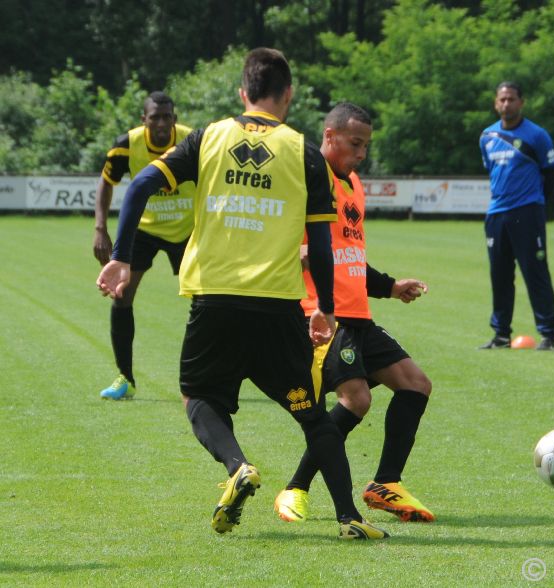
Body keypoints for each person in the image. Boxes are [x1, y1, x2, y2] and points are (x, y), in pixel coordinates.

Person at [96, 48, 387, 540]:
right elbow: (320, 241)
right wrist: (327, 311)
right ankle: (349, 519)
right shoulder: (304, 152)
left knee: (199, 398)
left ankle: (237, 466)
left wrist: (122, 255)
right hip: (277, 308)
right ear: (288, 95)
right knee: (313, 415)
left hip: (215, 302)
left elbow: (142, 182)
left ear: (242, 92)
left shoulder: (209, 136)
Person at [273, 102, 435, 524]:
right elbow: (283, 240)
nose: (361, 153)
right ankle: (295, 488)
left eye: (366, 145)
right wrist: (299, 252)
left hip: (357, 314)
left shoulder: (354, 184)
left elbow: (349, 257)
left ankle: (386, 483)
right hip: (324, 315)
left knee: (416, 385)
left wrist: (389, 287)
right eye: (355, 143)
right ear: (329, 136)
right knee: (356, 398)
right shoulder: (309, 178)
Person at [93, 91, 195, 400]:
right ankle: (125, 378)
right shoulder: (127, 145)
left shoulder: (193, 141)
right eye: (155, 117)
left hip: (188, 228)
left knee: (210, 300)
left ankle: (212, 376)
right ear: (144, 120)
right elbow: (106, 182)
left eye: (167, 117)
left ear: (175, 119)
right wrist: (100, 228)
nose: (162, 123)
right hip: (146, 228)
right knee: (121, 295)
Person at [478, 81, 554, 351]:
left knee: (535, 273)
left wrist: (536, 205)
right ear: (495, 103)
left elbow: (551, 175)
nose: (506, 104)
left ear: (521, 103)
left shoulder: (537, 135)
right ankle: (501, 334)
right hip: (496, 215)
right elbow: (490, 170)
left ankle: (548, 333)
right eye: (502, 99)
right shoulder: (487, 136)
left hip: (527, 213)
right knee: (499, 275)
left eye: (511, 99)